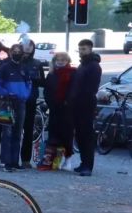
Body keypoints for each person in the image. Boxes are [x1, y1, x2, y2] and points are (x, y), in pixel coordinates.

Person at [0, 43, 32, 171]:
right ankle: (6, 162)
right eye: (14, 50)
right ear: (10, 53)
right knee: (7, 133)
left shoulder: (25, 68)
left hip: (20, 102)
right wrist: (6, 93)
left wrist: (24, 95)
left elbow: (29, 84)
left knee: (18, 132)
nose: (17, 53)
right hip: (7, 103)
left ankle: (15, 161)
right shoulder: (4, 68)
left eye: (19, 50)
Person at [67, 39, 101, 176]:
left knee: (86, 136)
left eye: (84, 49)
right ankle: (83, 163)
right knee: (80, 136)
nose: (82, 52)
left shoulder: (93, 66)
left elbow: (91, 88)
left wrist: (80, 99)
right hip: (76, 105)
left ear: (90, 49)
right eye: (80, 49)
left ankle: (88, 166)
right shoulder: (82, 66)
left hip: (86, 105)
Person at [41, 51, 75, 170]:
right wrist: (50, 103)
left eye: (63, 60)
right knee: (54, 134)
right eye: (58, 60)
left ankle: (68, 159)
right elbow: (47, 91)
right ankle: (55, 160)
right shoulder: (51, 74)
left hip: (67, 110)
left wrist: (67, 102)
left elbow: (73, 91)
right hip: (54, 109)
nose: (60, 62)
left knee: (67, 135)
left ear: (67, 61)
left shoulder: (72, 73)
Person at [18, 39, 48, 168]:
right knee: (13, 130)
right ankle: (10, 159)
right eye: (25, 45)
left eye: (30, 45)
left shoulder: (37, 63)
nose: (28, 48)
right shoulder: (16, 61)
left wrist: (35, 79)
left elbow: (43, 82)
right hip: (16, 99)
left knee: (28, 130)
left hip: (30, 99)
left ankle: (25, 160)